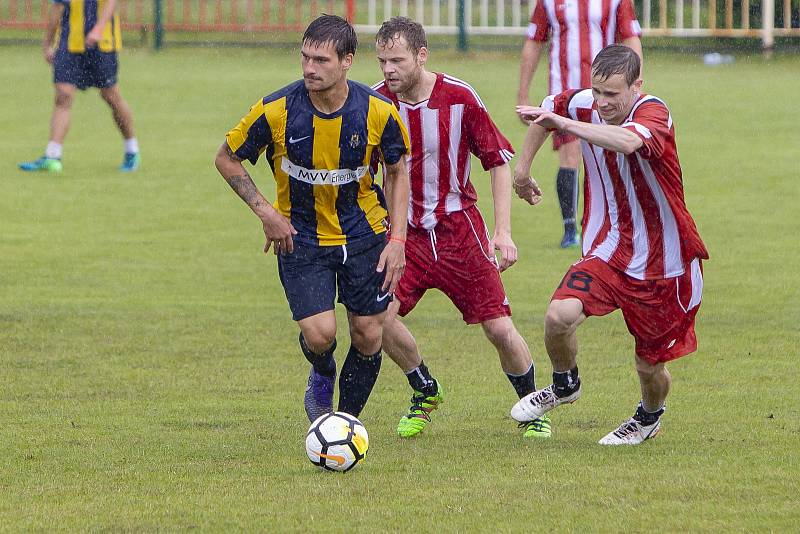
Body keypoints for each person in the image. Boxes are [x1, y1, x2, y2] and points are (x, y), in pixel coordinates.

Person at [214, 15, 410, 424]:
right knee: (320, 335)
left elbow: (396, 171)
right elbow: (226, 157)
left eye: (320, 60)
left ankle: (344, 423)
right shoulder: (277, 109)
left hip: (365, 234)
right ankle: (322, 372)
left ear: (347, 61)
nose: (308, 68)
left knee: (368, 332)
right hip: (300, 237)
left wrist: (398, 241)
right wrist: (267, 213)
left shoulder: (377, 112)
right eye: (304, 57)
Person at [511, 44, 709, 445]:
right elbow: (547, 112)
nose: (601, 103)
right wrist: (522, 170)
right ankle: (565, 384)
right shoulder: (584, 103)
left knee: (649, 365)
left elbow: (627, 142)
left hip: (662, 263)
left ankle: (649, 417)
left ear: (637, 85)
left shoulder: (654, 113)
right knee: (558, 317)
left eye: (612, 95)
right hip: (607, 249)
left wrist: (566, 125)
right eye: (597, 92)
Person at [373, 17, 551, 439]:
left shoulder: (459, 97)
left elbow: (496, 161)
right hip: (405, 237)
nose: (388, 70)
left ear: (421, 55)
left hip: (459, 233)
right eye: (381, 61)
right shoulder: (376, 104)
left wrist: (503, 232)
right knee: (375, 319)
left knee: (499, 328)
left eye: (396, 60)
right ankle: (425, 389)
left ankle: (533, 406)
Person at [517, 0, 643, 248]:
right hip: (564, 95)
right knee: (570, 155)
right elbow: (534, 42)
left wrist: (636, 83)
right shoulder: (549, 2)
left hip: (609, 96)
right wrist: (523, 92)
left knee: (609, 158)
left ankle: (610, 220)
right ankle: (570, 229)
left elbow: (631, 38)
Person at [19, 0, 140, 173]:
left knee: (110, 95)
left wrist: (99, 28)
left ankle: (132, 150)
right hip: (69, 44)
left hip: (102, 42)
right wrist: (48, 43)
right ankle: (52, 156)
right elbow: (57, 7)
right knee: (63, 95)